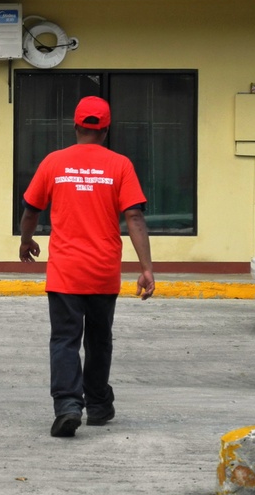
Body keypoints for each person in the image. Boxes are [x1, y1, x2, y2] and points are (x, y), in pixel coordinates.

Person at [18, 95, 155, 438]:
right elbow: (134, 216)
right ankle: (97, 405)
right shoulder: (120, 165)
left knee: (65, 339)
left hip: (65, 271)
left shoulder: (54, 162)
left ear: (76, 126)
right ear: (106, 130)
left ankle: (67, 405)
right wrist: (147, 268)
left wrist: (26, 240)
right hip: (103, 270)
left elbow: (32, 208)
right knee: (98, 339)